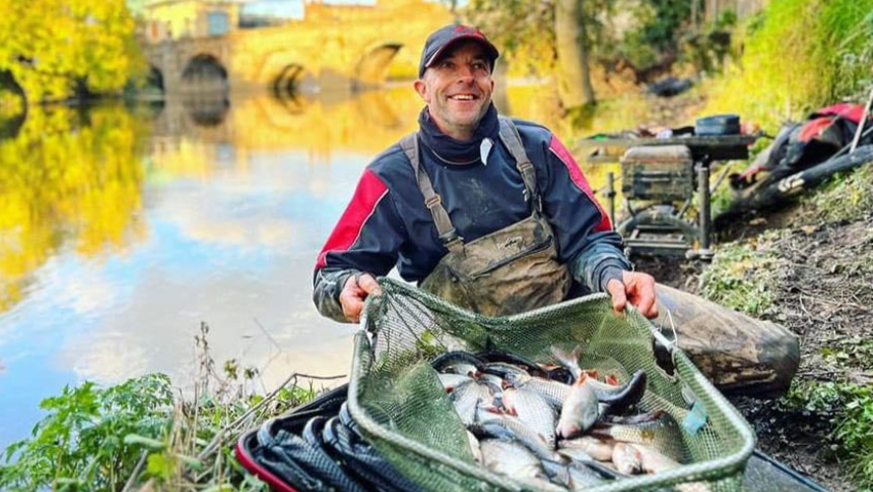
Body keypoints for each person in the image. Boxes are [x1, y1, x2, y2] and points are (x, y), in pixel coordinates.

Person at [313, 23, 799, 395]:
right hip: (479, 361)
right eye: (448, 66)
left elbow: (592, 238)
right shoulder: (389, 176)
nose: (466, 78)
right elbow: (332, 272)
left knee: (773, 355)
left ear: (490, 81)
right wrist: (344, 291)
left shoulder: (536, 146)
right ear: (422, 87)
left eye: (478, 66)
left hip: (587, 319)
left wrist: (612, 275)